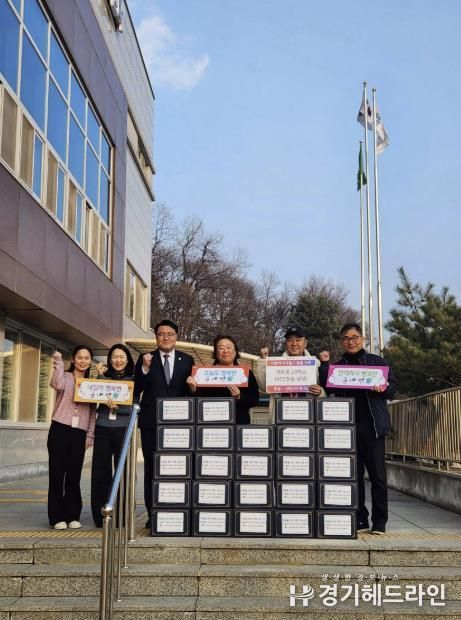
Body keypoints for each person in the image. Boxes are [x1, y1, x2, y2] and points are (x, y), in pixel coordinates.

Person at [318, 322, 397, 535]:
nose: (350, 342)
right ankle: (360, 518)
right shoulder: (338, 366)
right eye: (346, 338)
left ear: (362, 339)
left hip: (372, 426)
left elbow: (392, 388)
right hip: (347, 429)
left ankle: (379, 521)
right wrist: (324, 364)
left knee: (378, 476)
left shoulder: (377, 362)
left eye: (354, 337)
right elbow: (326, 384)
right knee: (353, 476)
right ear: (341, 342)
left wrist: (384, 387)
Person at [134, 319, 194, 528]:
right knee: (151, 468)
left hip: (179, 424)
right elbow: (137, 388)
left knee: (177, 468)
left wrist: (193, 388)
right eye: (161, 334)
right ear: (156, 337)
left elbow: (190, 392)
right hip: (151, 423)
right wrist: (144, 368)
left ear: (176, 336)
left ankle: (175, 511)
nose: (166, 337)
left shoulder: (187, 360)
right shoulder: (146, 358)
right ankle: (153, 514)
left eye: (170, 334)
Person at [48, 346, 96, 530]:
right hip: (60, 429)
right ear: (73, 360)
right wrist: (58, 362)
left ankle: (73, 515)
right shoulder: (66, 377)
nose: (83, 361)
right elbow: (56, 384)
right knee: (57, 474)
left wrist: (90, 435)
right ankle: (56, 517)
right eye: (79, 357)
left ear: (90, 361)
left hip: (79, 433)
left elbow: (92, 413)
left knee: (74, 476)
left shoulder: (92, 384)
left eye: (87, 358)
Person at [91, 344, 135, 528]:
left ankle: (122, 515)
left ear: (127, 359)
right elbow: (94, 396)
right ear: (110, 359)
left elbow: (135, 405)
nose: (118, 360)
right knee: (100, 472)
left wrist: (119, 408)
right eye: (115, 357)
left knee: (123, 473)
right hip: (102, 427)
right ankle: (100, 515)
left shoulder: (134, 378)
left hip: (123, 429)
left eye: (122, 357)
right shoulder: (103, 376)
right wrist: (100, 376)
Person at [254, 326, 326, 420]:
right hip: (281, 417)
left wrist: (320, 392)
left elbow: (326, 394)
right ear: (286, 343)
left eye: (298, 340)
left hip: (307, 417)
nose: (294, 343)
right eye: (290, 340)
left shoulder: (316, 364)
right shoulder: (276, 364)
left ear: (305, 343)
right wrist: (263, 360)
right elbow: (263, 387)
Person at [186, 335, 260, 424]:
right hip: (211, 424)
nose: (225, 351)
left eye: (229, 347)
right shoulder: (204, 374)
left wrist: (239, 396)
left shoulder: (246, 373)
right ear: (216, 353)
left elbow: (254, 400)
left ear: (235, 352)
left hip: (238, 424)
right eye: (221, 348)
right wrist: (193, 389)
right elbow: (197, 401)